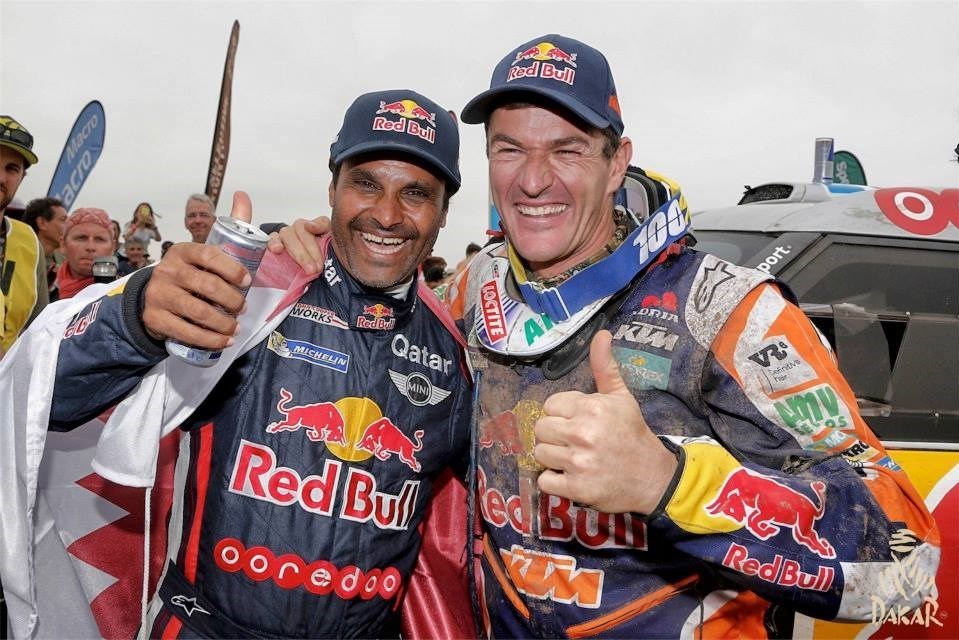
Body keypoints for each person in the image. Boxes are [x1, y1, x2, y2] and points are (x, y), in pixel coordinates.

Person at [273, 34, 940, 638]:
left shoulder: (726, 311)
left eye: (565, 149)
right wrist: (289, 271)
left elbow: (905, 568)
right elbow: (367, 343)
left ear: (616, 162)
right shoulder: (474, 288)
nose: (533, 179)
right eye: (510, 149)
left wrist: (672, 483)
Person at [1, 89, 475, 639]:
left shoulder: (456, 353)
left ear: (444, 212)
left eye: (415, 193)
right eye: (366, 184)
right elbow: (45, 402)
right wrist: (137, 317)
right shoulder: (257, 289)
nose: (386, 215)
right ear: (332, 189)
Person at [0, 115, 47, 358]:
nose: (1, 178)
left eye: (12, 168)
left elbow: (40, 328)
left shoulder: (28, 241)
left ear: (22, 177)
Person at [52, 207, 117, 300]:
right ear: (63, 244)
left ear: (113, 247)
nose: (90, 247)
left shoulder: (127, 293)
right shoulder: (43, 285)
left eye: (99, 239)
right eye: (81, 238)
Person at [22, 196, 68, 293]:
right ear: (42, 223)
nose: (68, 226)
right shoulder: (17, 256)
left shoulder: (65, 263)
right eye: (63, 220)